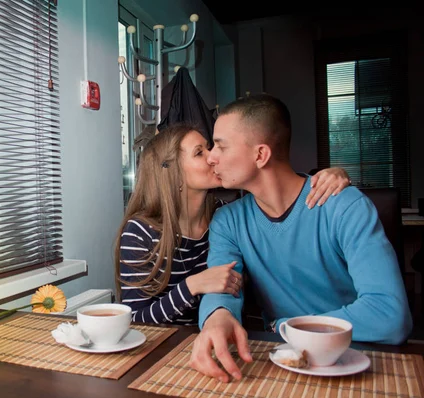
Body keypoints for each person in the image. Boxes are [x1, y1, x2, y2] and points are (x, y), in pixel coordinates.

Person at [189, 94, 413, 382]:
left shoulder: (343, 205)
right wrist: (217, 318)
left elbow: (389, 316)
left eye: (220, 146)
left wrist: (287, 327)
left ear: (260, 155)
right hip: (284, 362)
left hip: (358, 360)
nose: (211, 156)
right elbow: (223, 285)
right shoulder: (228, 221)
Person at [115, 122, 351, 326]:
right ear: (173, 173)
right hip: (162, 349)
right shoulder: (140, 232)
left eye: (210, 147)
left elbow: (275, 191)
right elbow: (135, 320)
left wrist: (327, 176)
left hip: (219, 338)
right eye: (200, 152)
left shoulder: (224, 217)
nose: (213, 157)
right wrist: (191, 286)